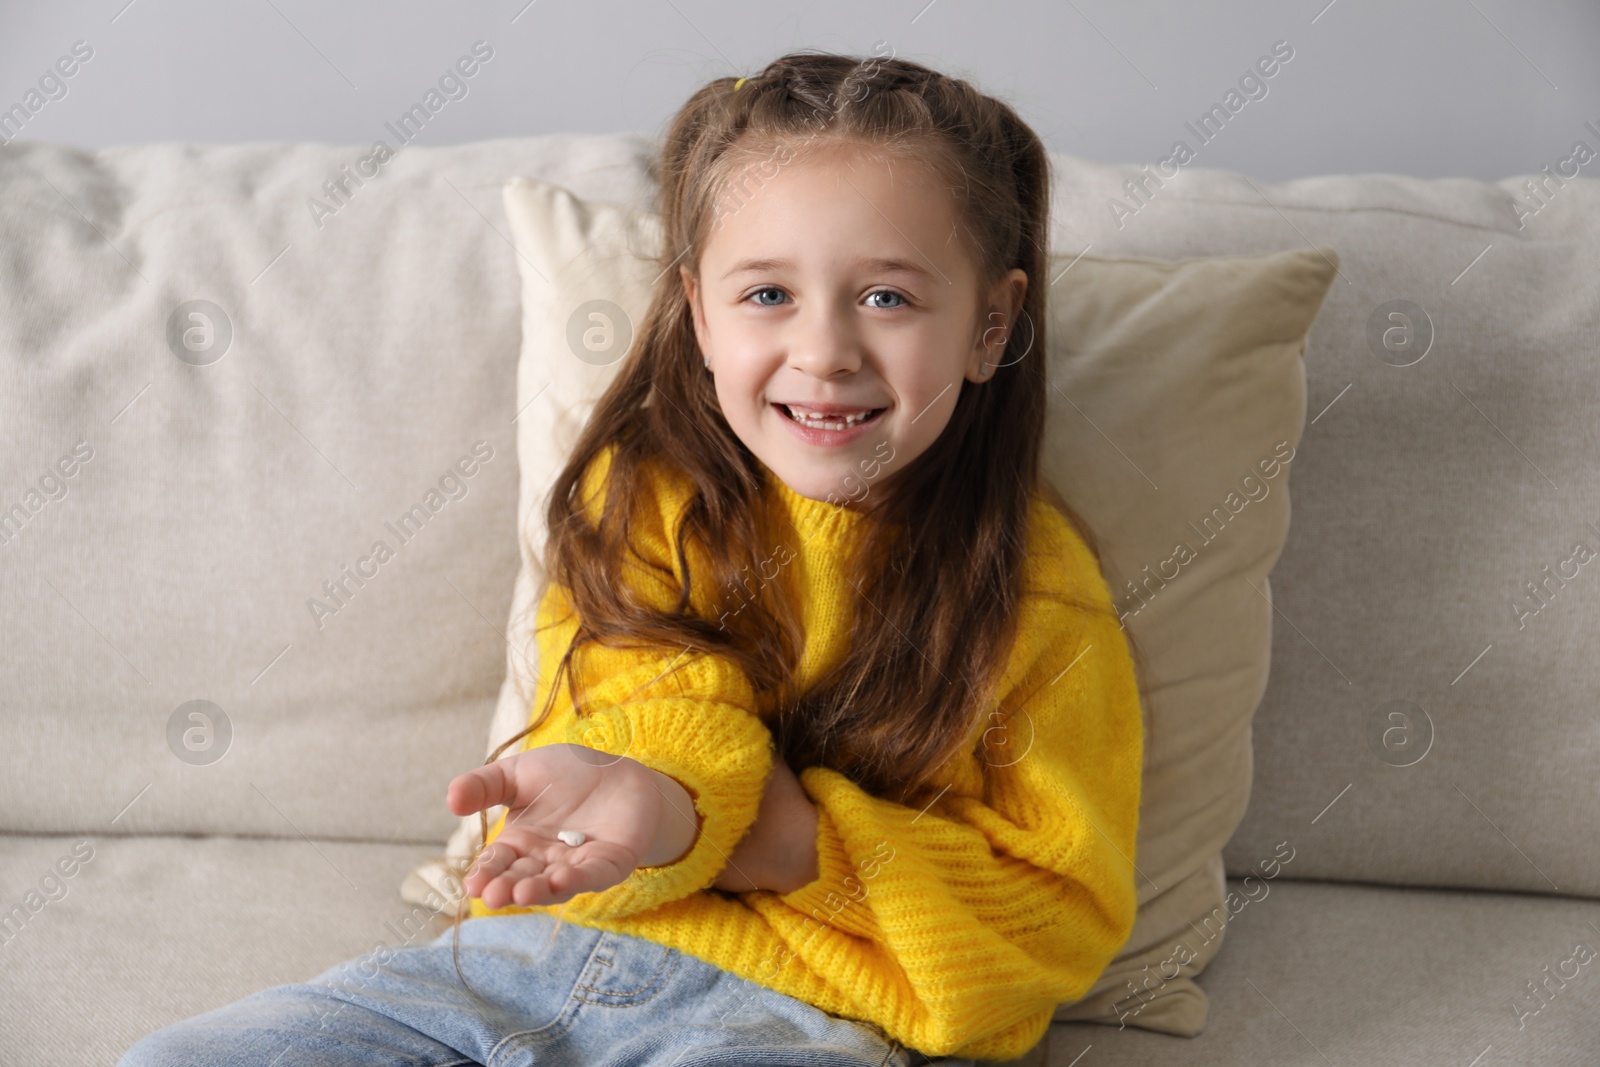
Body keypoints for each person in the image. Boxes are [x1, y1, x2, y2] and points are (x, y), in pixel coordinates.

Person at [118, 49, 1148, 1067]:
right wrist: (661, 800)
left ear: (991, 322)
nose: (825, 348)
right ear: (698, 313)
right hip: (523, 955)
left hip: (794, 1017)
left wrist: (800, 844)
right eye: (767, 295)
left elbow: (1057, 912)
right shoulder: (648, 497)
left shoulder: (1035, 595)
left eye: (886, 297)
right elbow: (651, 710)